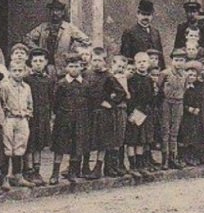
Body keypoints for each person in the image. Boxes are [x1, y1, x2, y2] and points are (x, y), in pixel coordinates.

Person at [86, 48, 128, 178]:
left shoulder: (108, 76)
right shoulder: (87, 74)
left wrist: (110, 102)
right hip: (88, 111)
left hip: (103, 113)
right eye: (94, 60)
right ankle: (84, 167)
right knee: (87, 139)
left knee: (102, 141)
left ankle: (98, 168)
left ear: (105, 61)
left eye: (100, 60)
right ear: (90, 60)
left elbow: (121, 92)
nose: (97, 63)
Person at [50, 53, 91, 185]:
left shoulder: (85, 84)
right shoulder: (62, 84)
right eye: (71, 66)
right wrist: (60, 114)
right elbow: (55, 102)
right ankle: (55, 173)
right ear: (66, 68)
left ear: (81, 68)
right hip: (64, 118)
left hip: (80, 118)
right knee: (60, 146)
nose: (74, 69)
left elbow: (88, 101)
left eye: (77, 66)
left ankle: (72, 172)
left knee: (77, 145)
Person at [25, 1, 90, 74]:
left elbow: (86, 41)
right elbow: (27, 39)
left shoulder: (69, 28)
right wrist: (38, 50)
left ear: (62, 13)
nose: (55, 13)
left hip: (62, 65)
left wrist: (73, 53)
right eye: (52, 10)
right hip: (45, 64)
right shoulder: (42, 27)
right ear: (49, 13)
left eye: (58, 10)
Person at [0, 61, 35, 188]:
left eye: (20, 70)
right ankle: (3, 177)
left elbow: (30, 103)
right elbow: (1, 103)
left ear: (24, 72)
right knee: (7, 147)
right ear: (9, 71)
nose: (17, 73)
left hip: (22, 119)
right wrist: (5, 117)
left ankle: (17, 175)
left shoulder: (26, 87)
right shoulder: (5, 86)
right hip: (9, 119)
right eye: (15, 70)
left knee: (20, 147)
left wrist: (28, 114)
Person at [24, 49, 54, 185]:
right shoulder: (27, 79)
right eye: (35, 61)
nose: (38, 64)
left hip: (43, 116)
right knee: (29, 143)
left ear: (46, 62)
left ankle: (37, 171)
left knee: (39, 144)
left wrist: (50, 115)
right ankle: (27, 170)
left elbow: (51, 98)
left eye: (41, 61)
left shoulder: (48, 80)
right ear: (30, 63)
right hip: (30, 116)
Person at [125, 51, 155, 177]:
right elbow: (130, 98)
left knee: (141, 141)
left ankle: (140, 165)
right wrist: (132, 113)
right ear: (135, 64)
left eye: (144, 62)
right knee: (132, 140)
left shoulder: (149, 79)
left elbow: (151, 97)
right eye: (139, 62)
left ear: (148, 63)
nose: (142, 64)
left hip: (145, 113)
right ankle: (132, 166)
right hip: (134, 112)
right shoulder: (132, 79)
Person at [159, 48, 188, 169]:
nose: (179, 63)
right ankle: (164, 159)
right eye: (176, 60)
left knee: (175, 130)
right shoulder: (165, 73)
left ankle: (172, 157)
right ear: (172, 61)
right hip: (166, 103)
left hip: (178, 103)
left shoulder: (185, 75)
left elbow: (184, 89)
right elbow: (159, 87)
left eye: (181, 60)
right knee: (165, 130)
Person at [120, 0, 165, 69]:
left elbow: (160, 56)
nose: (146, 17)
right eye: (143, 14)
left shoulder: (155, 32)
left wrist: (162, 71)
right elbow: (126, 56)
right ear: (137, 14)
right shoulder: (129, 32)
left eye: (148, 15)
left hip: (154, 71)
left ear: (152, 16)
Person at [178, 61, 204, 165]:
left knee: (192, 135)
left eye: (194, 75)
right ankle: (182, 157)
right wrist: (188, 108)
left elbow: (198, 100)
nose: (192, 77)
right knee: (183, 135)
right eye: (190, 75)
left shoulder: (195, 88)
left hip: (193, 116)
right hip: (184, 115)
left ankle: (191, 156)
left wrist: (197, 108)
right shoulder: (183, 88)